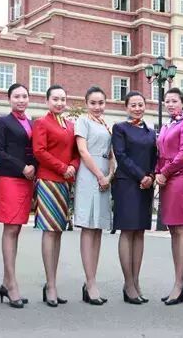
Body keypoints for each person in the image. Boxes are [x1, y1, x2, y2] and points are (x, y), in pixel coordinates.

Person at [32, 85, 80, 307]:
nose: (59, 103)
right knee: (50, 232)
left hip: (65, 183)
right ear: (47, 101)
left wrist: (72, 167)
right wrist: (63, 167)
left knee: (58, 232)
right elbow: (39, 151)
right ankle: (50, 285)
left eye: (62, 99)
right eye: (55, 99)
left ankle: (52, 282)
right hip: (48, 181)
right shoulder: (42, 123)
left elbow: (76, 154)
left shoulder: (70, 125)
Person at [0, 83, 37, 309]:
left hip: (27, 180)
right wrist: (22, 167)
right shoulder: (3, 122)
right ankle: (11, 284)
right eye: (16, 96)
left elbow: (36, 150)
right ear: (9, 99)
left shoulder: (31, 123)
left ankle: (5, 281)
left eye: (24, 96)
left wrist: (33, 167)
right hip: (10, 178)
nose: (21, 100)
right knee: (10, 229)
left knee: (17, 229)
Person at [111, 91, 157, 304]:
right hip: (127, 184)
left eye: (140, 104)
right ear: (126, 107)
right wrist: (141, 176)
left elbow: (155, 157)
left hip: (146, 185)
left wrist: (151, 176)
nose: (137, 108)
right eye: (133, 105)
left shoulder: (150, 131)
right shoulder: (120, 128)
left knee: (140, 232)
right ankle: (128, 283)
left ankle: (136, 282)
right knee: (128, 231)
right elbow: (121, 156)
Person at [74, 86, 115, 305]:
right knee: (88, 227)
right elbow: (83, 151)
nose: (97, 107)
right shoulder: (83, 121)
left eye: (101, 103)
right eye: (93, 103)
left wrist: (110, 175)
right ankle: (90, 283)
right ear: (86, 103)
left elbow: (111, 154)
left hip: (104, 177)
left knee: (98, 228)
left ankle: (92, 280)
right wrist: (100, 175)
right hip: (90, 175)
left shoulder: (105, 124)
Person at [156, 88, 183, 306]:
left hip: (179, 177)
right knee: (172, 229)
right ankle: (179, 282)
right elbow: (160, 153)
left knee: (180, 228)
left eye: (174, 101)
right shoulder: (166, 125)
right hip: (166, 178)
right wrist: (157, 172)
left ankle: (179, 283)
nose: (170, 104)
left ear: (182, 103)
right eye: (167, 101)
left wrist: (164, 172)